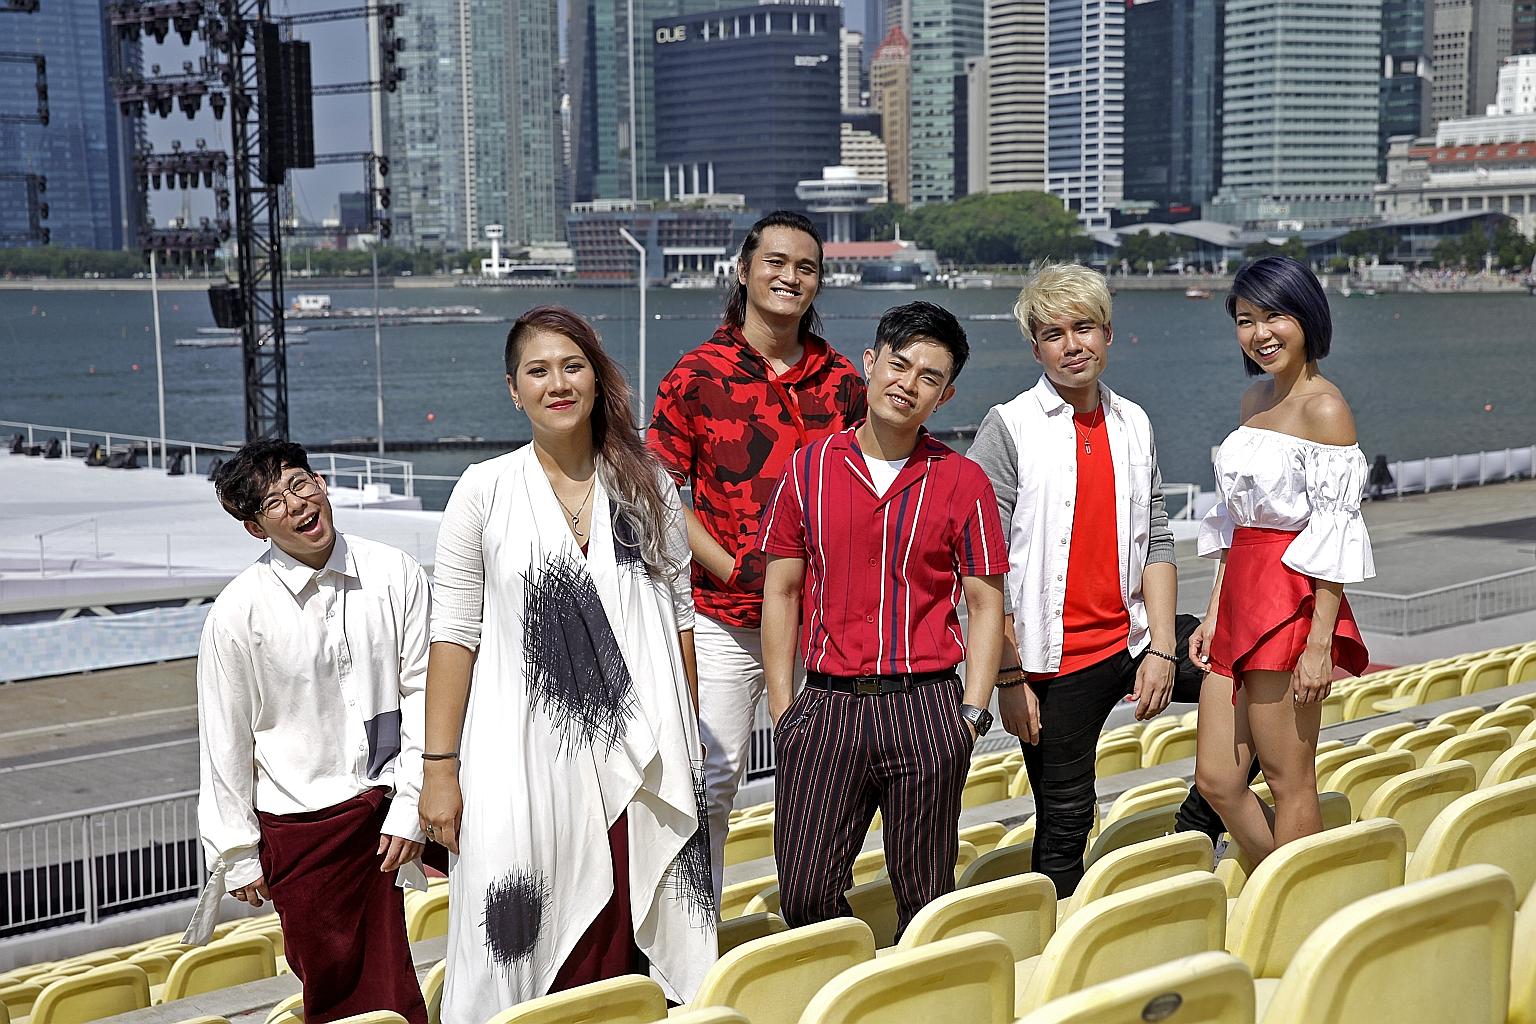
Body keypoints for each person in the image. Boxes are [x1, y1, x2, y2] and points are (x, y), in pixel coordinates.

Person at [420, 306, 713, 1020]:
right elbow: (453, 637)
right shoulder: (483, 491)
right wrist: (438, 770)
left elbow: (680, 622)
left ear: (597, 377)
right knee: (521, 940)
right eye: (538, 370)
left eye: (572, 365)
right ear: (513, 389)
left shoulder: (647, 485)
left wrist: (689, 739)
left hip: (637, 760)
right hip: (521, 761)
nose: (558, 383)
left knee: (619, 950)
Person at [758, 300, 1007, 937]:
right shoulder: (808, 469)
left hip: (925, 707)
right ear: (869, 364)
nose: (908, 384)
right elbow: (782, 592)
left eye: (929, 377)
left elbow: (985, 601)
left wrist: (973, 713)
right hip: (827, 707)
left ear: (945, 396)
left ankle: (914, 985)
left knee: (925, 895)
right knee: (805, 892)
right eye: (899, 365)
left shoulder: (963, 481)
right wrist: (784, 709)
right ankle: (848, 984)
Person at [649, 210, 866, 904]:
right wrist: (730, 565)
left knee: (824, 775)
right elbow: (658, 490)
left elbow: (868, 484)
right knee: (711, 779)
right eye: (775, 262)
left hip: (818, 618)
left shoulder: (842, 381)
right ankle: (694, 933)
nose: (790, 277)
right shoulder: (697, 375)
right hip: (722, 616)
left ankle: (815, 908)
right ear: (743, 271)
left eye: (806, 267)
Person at [189, 440, 430, 1024]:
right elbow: (225, 740)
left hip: (397, 799)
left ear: (321, 482)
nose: (297, 504)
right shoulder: (237, 613)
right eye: (274, 502)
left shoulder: (394, 571)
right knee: (335, 987)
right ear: (255, 528)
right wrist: (237, 851)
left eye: (300, 484)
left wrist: (412, 803)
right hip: (303, 825)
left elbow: (425, 692)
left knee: (408, 976)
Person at [968, 262, 1178, 897]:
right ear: (1036, 349)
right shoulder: (1010, 426)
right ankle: (1060, 935)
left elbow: (1157, 537)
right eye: (1053, 334)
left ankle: (1200, 821)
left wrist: (1164, 649)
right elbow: (980, 565)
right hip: (1051, 664)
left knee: (1240, 671)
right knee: (1065, 824)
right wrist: (1008, 678)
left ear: (1107, 334)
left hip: (1132, 637)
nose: (1072, 345)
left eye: (1083, 328)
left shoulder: (1134, 421)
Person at [1191, 256, 1374, 864]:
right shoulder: (1254, 398)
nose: (1260, 333)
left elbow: (1337, 534)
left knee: (1288, 778)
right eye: (1245, 320)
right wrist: (1213, 612)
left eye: (1275, 316)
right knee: (1217, 778)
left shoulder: (1327, 408)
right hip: (1238, 595)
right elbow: (1234, 520)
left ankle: (1294, 901)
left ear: (1307, 317)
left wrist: (1320, 644)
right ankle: (1289, 885)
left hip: (1288, 598)